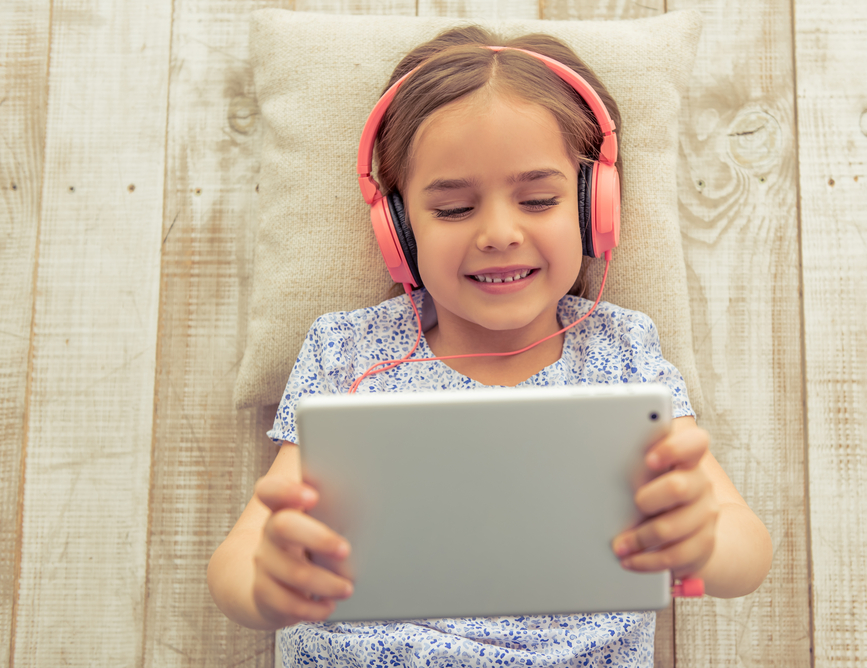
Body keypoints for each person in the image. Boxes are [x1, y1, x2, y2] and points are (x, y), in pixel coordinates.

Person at [208, 24, 772, 667]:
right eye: (453, 210)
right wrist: (265, 583)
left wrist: (704, 540)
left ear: (595, 209)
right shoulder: (348, 353)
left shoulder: (624, 353)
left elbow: (746, 550)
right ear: (397, 228)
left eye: (538, 199)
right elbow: (238, 560)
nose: (500, 233)